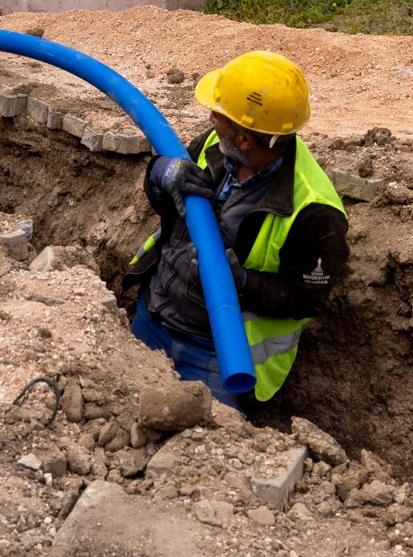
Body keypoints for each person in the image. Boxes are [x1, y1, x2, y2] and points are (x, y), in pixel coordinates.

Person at [125, 51, 348, 410]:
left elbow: (308, 299)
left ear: (244, 139)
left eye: (219, 115)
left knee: (207, 440)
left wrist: (242, 282)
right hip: (153, 316)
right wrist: (159, 173)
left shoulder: (314, 211)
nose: (211, 118)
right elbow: (169, 207)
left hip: (219, 356)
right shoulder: (215, 145)